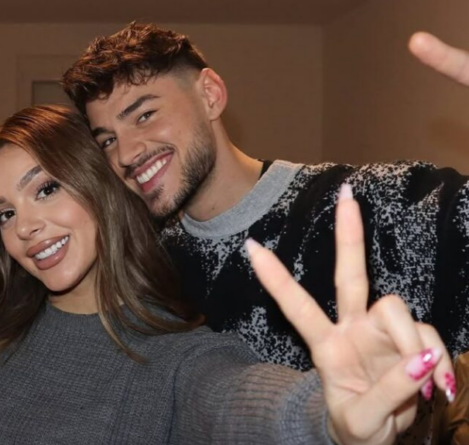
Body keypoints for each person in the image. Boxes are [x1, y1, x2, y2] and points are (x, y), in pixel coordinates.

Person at [0, 104, 453, 444]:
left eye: (46, 188)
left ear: (101, 186)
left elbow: (238, 401)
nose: (23, 227)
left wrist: (330, 415)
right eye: (4, 213)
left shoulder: (174, 358)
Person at [61, 23, 469, 379]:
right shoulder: (149, 265)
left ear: (210, 95)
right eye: (108, 140)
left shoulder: (368, 204)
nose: (126, 154)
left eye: (144, 115)